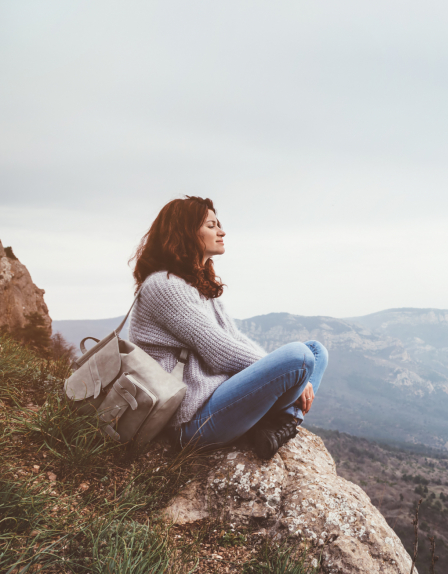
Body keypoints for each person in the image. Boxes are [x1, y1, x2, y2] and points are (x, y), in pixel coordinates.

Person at [128, 195, 327, 459]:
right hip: (188, 421)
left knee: (314, 350)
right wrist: (294, 373)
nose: (221, 231)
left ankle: (275, 425)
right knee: (300, 357)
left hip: (214, 402)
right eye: (211, 226)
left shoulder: (195, 286)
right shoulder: (164, 286)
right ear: (185, 232)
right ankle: (280, 421)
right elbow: (220, 351)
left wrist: (286, 371)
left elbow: (235, 339)